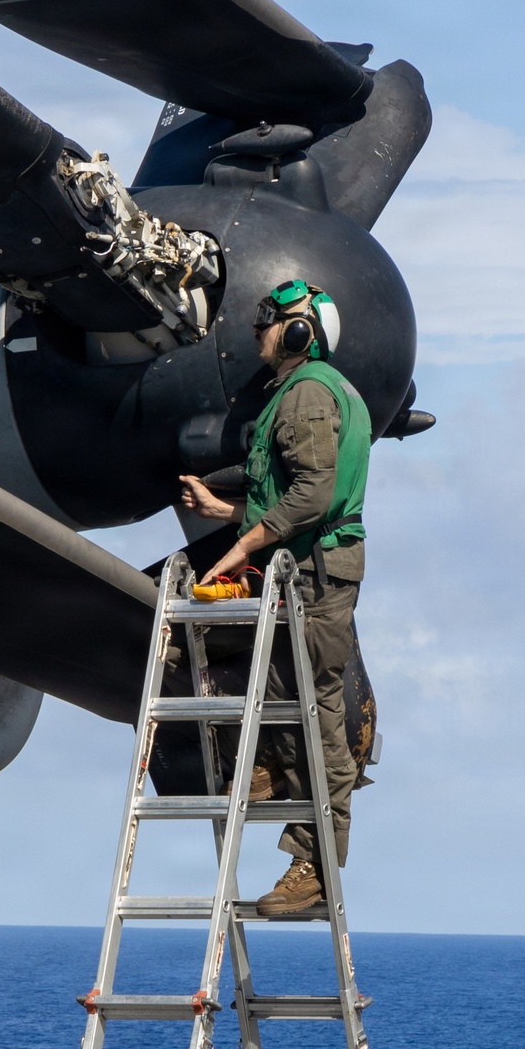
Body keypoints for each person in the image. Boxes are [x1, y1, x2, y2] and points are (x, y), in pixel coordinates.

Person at [179, 279, 371, 916]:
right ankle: (260, 767)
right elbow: (291, 500)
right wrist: (227, 510)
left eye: (271, 320)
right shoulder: (304, 392)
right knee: (276, 684)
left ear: (298, 333)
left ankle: (313, 865)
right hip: (303, 565)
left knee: (318, 713)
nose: (258, 328)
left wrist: (236, 550)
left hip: (315, 575)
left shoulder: (308, 395)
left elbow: (312, 498)